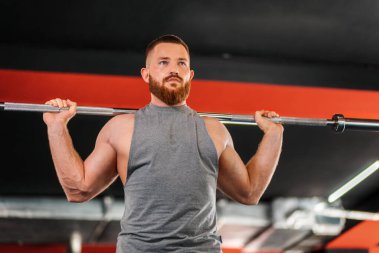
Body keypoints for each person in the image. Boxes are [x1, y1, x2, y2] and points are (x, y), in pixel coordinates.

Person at [43, 34, 283, 253]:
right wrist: (56, 128)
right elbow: (78, 189)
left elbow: (249, 192)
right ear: (146, 74)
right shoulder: (122, 128)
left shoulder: (214, 130)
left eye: (182, 63)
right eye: (163, 62)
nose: (174, 70)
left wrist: (273, 135)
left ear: (190, 75)